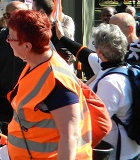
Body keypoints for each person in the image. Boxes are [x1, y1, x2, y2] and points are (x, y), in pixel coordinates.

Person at [5, 10, 92, 159]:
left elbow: (70, 137)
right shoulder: (35, 64)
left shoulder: (57, 80)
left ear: (27, 46)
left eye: (11, 38)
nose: (8, 42)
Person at [56, 22, 140, 159]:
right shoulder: (126, 68)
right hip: (131, 149)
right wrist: (61, 37)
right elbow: (85, 54)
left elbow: (97, 121)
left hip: (119, 154)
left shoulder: (111, 83)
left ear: (100, 52)